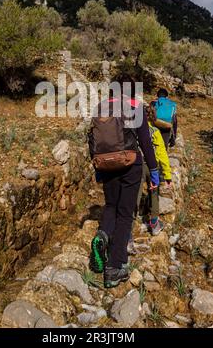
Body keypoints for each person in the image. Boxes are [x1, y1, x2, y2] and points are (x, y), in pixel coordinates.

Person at [88, 74, 159, 288]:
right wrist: (154, 170)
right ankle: (115, 266)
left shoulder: (100, 107)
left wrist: (98, 168)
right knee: (125, 213)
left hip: (106, 164)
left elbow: (92, 139)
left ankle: (102, 235)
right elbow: (146, 142)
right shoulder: (135, 107)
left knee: (111, 206)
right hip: (130, 164)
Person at [128, 104, 172, 253]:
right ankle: (154, 223)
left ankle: (128, 224)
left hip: (136, 166)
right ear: (153, 116)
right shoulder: (155, 132)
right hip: (152, 167)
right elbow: (162, 154)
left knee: (135, 193)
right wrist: (167, 174)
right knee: (154, 193)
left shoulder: (133, 130)